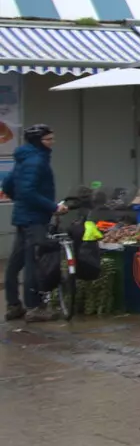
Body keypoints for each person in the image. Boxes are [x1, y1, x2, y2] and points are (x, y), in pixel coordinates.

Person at [4, 124, 59, 322]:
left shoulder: (23, 158)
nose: (52, 143)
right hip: (34, 219)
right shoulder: (37, 160)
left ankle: (13, 305)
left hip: (23, 217)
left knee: (15, 262)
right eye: (48, 139)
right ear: (38, 141)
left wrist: (19, 201)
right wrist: (53, 207)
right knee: (32, 263)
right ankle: (35, 308)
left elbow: (9, 184)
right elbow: (28, 192)